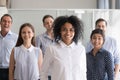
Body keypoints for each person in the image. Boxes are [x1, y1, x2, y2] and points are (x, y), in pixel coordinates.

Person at [40, 15, 87, 80]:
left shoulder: (81, 49)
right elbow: (43, 72)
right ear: (59, 31)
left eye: (71, 30)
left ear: (75, 31)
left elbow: (83, 72)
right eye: (64, 29)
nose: (68, 33)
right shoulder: (52, 49)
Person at [0, 14, 18, 80]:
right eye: (4, 21)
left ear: (11, 24)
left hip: (10, 70)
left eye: (9, 22)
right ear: (0, 22)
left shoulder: (16, 37)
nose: (6, 23)